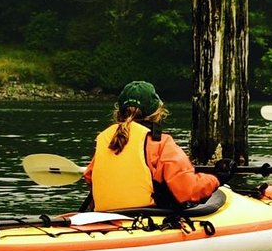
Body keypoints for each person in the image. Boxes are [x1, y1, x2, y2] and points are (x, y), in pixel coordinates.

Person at [83, 81, 226, 212]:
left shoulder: (107, 140)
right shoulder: (161, 143)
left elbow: (90, 176)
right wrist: (217, 178)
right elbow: (188, 189)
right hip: (146, 219)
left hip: (106, 217)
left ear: (118, 112)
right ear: (157, 112)